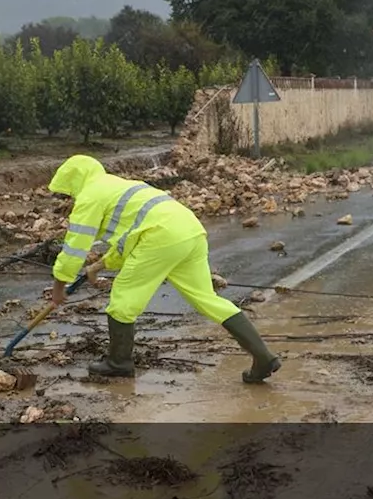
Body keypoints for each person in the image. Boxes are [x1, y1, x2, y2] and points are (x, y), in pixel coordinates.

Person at [47, 154, 281, 383]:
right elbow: (129, 237)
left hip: (160, 236)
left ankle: (118, 363)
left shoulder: (89, 196)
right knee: (207, 299)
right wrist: (99, 265)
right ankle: (263, 357)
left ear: (74, 182)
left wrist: (59, 286)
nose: (69, 197)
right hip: (190, 230)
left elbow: (74, 248)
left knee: (123, 300)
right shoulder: (119, 185)